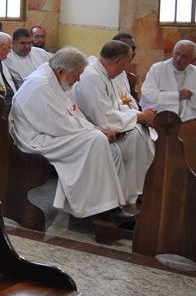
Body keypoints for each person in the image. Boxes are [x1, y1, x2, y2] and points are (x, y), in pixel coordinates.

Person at [10, 47, 129, 220]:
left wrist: (96, 128)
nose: (78, 79)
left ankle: (109, 202)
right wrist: (95, 131)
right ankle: (102, 210)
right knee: (95, 140)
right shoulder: (40, 86)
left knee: (112, 150)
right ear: (61, 71)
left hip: (52, 132)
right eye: (76, 75)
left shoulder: (56, 80)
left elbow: (72, 113)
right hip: (35, 138)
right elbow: (58, 125)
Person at [73, 41, 157, 205]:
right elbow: (104, 119)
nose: (127, 67)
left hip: (107, 126)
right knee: (135, 134)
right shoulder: (92, 77)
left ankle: (140, 189)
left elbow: (116, 107)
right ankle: (132, 194)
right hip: (93, 131)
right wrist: (140, 118)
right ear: (118, 61)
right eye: (127, 62)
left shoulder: (103, 74)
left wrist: (141, 115)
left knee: (139, 130)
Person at [141, 40, 196, 120]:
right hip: (159, 119)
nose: (178, 59)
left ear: (193, 60)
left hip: (190, 121)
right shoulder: (157, 69)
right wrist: (177, 95)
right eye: (177, 54)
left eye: (184, 56)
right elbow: (147, 95)